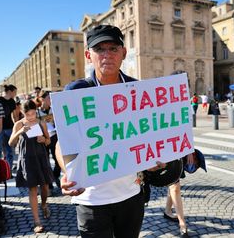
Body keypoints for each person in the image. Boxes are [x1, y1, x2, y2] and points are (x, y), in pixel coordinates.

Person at [55, 24, 146, 238]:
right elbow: (62, 142)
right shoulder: (76, 91)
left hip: (131, 196)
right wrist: (67, 172)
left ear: (123, 52)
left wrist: (156, 159)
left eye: (113, 49)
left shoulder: (138, 89)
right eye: (99, 49)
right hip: (91, 199)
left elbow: (148, 135)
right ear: (89, 55)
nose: (107, 55)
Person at [9, 100, 54, 233]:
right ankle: (37, 221)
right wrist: (20, 131)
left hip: (41, 158)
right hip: (27, 160)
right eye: (28, 114)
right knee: (32, 189)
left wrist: (44, 140)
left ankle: (44, 204)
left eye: (33, 113)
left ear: (36, 111)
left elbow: (48, 141)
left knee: (45, 187)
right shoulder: (18, 124)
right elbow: (11, 142)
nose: (31, 117)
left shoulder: (41, 123)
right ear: (23, 112)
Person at [36, 91, 61, 190]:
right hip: (43, 139)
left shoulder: (54, 110)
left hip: (54, 137)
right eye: (48, 98)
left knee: (58, 160)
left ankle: (55, 176)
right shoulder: (37, 112)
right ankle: (49, 182)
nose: (50, 100)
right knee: (45, 161)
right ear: (43, 100)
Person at [0, 84, 17, 169]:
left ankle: (9, 171)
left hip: (9, 128)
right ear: (10, 91)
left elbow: (14, 116)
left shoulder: (12, 101)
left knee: (9, 151)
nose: (15, 93)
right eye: (15, 92)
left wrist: (16, 127)